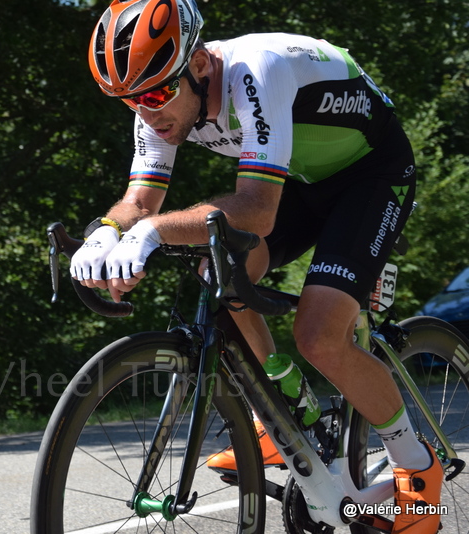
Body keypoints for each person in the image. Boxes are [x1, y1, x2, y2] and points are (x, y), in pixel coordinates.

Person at [72, 1, 441, 531]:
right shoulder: (159, 104)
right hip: (299, 179)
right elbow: (139, 202)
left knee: (318, 336)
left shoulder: (255, 72)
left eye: (154, 94)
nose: (147, 113)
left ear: (198, 64)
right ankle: (278, 403)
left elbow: (259, 213)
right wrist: (105, 233)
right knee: (217, 271)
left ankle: (416, 472)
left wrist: (151, 233)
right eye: (130, 101)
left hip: (371, 175)